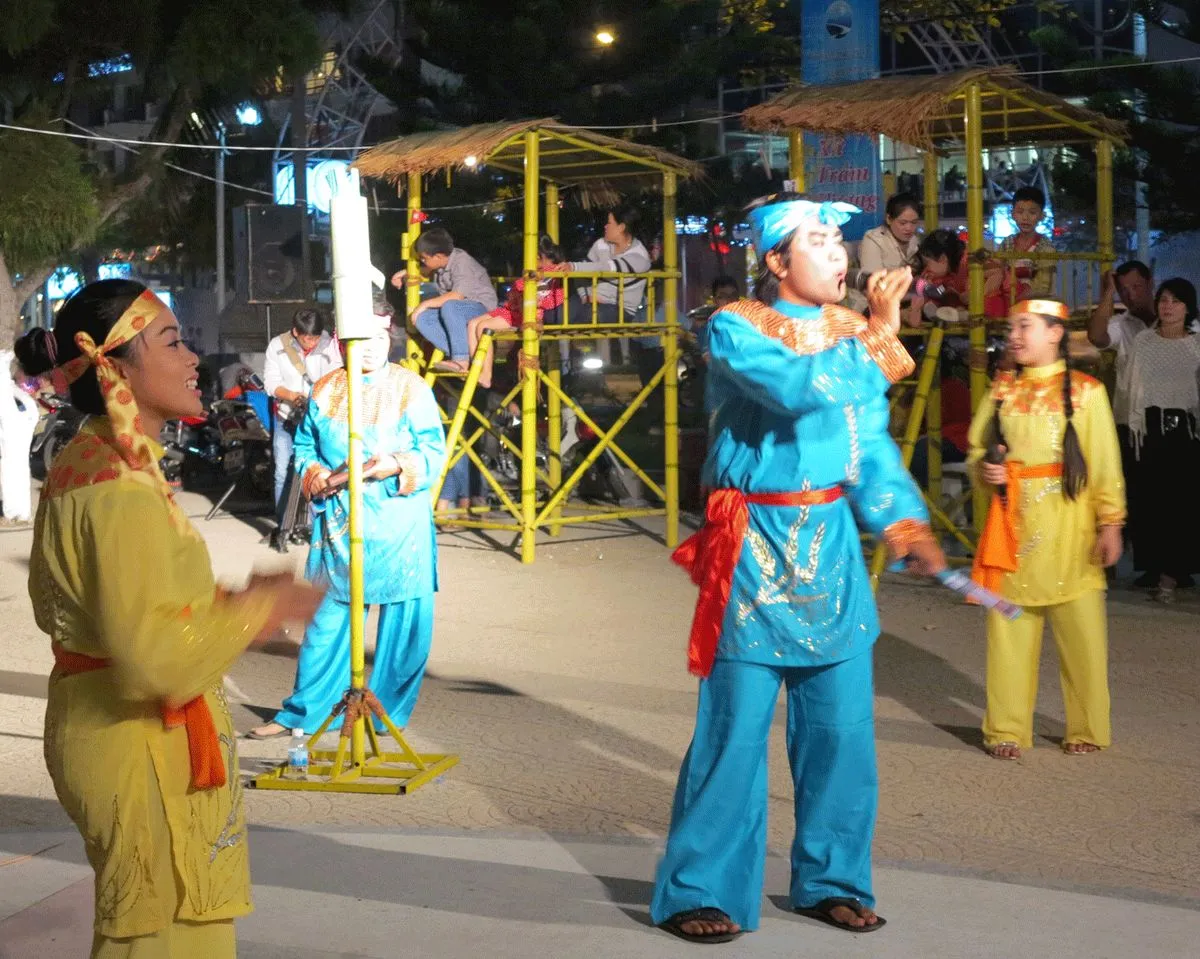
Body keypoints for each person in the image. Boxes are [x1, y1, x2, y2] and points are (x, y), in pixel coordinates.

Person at [649, 194, 946, 944]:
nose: (840, 253)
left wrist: (904, 519)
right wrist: (882, 334)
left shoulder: (853, 331)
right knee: (735, 732)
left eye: (842, 240)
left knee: (843, 732)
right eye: (819, 241)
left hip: (833, 541)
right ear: (776, 260)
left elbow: (868, 440)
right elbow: (794, 389)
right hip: (752, 545)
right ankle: (698, 888)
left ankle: (832, 880)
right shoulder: (736, 326)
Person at [16, 279, 323, 957]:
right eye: (173, 341)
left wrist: (227, 604)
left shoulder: (95, 461)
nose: (194, 359)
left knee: (172, 930)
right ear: (116, 366)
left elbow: (76, 606)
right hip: (138, 747)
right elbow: (155, 658)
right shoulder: (116, 487)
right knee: (159, 938)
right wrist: (259, 609)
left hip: (122, 737)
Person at [248, 297, 447, 739]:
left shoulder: (412, 388)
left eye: (381, 337)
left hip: (398, 523)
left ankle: (381, 717)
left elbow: (433, 451)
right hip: (339, 520)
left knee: (402, 630)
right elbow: (305, 446)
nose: (373, 347)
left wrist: (392, 464)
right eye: (361, 339)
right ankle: (304, 713)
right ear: (340, 341)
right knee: (326, 623)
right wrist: (316, 474)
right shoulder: (324, 389)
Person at [969, 298, 1125, 761]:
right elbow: (979, 449)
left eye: (1025, 326)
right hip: (1014, 525)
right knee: (1008, 633)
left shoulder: (1087, 391)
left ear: (1055, 333)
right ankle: (1006, 729)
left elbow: (1104, 464)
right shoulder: (1000, 390)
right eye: (1012, 327)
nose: (1014, 336)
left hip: (1071, 526)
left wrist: (1110, 522)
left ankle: (1087, 726)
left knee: (1084, 638)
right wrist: (986, 471)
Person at [1123, 278, 1200, 602]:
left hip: (1186, 431)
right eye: (1164, 300)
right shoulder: (1144, 341)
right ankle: (1157, 569)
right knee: (1151, 502)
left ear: (1188, 306)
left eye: (1176, 301)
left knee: (1183, 504)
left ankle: (1172, 574)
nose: (1168, 306)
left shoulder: (1196, 344)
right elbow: (1132, 387)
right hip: (1149, 429)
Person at [1086, 261, 1157, 582]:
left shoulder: (1175, 320)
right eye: (1124, 289)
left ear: (1150, 283)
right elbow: (1096, 335)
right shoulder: (1123, 323)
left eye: (1136, 287)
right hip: (1128, 421)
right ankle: (1124, 561)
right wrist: (1108, 294)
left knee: (1161, 495)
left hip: (1166, 421)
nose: (1131, 295)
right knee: (1128, 493)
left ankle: (1163, 567)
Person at [262, 307, 342, 508]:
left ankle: (314, 523)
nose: (313, 343)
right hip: (286, 418)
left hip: (318, 420)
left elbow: (335, 379)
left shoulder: (329, 346)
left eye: (316, 337)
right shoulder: (277, 346)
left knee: (317, 472)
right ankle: (282, 526)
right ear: (296, 332)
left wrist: (314, 399)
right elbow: (270, 383)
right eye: (308, 339)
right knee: (282, 473)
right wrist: (291, 397)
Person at [463, 234, 566, 387]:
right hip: (513, 310)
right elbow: (517, 290)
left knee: (483, 327)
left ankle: (486, 374)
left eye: (539, 258)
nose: (536, 261)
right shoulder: (535, 275)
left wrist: (537, 302)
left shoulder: (555, 276)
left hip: (524, 314)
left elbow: (554, 299)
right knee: (473, 324)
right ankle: (477, 369)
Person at [408, 226, 498, 367]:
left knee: (449, 306)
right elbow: (425, 270)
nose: (422, 262)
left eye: (424, 258)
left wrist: (423, 304)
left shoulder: (462, 262)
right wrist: (404, 273)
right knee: (422, 318)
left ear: (438, 256)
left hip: (480, 308)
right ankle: (463, 353)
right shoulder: (440, 265)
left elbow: (457, 296)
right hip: (456, 310)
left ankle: (460, 359)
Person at [906, 228, 1005, 327]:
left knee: (970, 284)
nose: (925, 270)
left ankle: (962, 315)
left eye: (927, 264)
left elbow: (997, 273)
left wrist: (976, 295)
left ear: (942, 259)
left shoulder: (970, 260)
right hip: (967, 311)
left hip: (992, 308)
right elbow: (937, 292)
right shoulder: (946, 273)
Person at [997, 186, 1057, 299]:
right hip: (1007, 298)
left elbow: (1042, 286)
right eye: (1020, 212)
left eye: (1032, 212)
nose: (1025, 217)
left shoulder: (1046, 247)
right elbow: (997, 268)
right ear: (1012, 214)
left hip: (1033, 303)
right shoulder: (1006, 243)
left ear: (1041, 216)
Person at [857, 193, 922, 275]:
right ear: (888, 219)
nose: (909, 228)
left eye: (914, 222)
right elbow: (873, 280)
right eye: (903, 223)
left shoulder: (914, 240)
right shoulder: (873, 240)